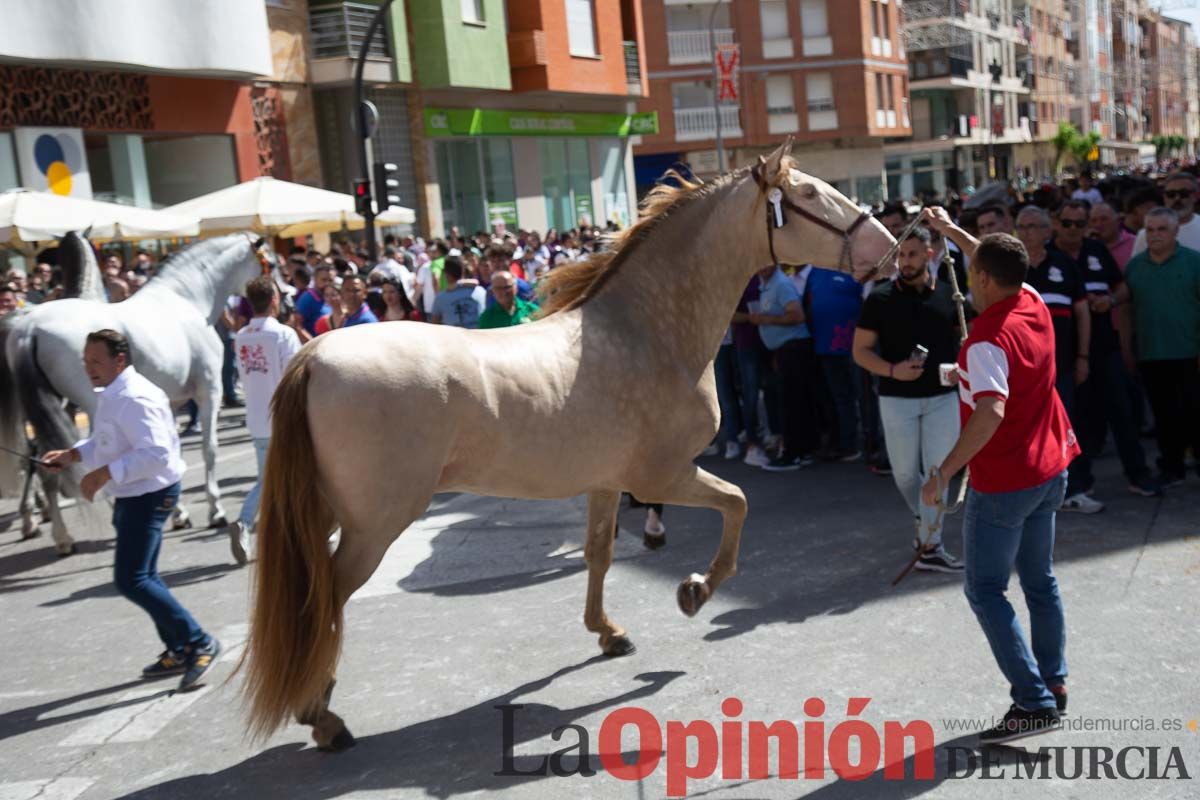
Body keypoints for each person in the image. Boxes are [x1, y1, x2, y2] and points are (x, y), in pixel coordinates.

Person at [920, 233, 1078, 745]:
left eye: (972, 270)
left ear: (984, 278)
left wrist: (944, 471)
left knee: (985, 589)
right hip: (1051, 467)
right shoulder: (1031, 300)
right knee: (1040, 580)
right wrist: (953, 232)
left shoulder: (986, 338)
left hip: (1008, 480)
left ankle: (1033, 702)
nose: (968, 277)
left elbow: (990, 410)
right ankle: (1052, 681)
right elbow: (994, 259)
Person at [43, 330, 220, 692]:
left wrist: (105, 472)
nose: (88, 367)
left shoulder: (136, 397)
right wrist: (72, 455)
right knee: (144, 577)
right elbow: (108, 441)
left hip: (150, 494)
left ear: (119, 360)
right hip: (133, 494)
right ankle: (179, 646)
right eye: (85, 361)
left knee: (132, 579)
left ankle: (199, 641)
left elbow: (156, 455)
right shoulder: (112, 393)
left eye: (96, 360)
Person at [853, 226, 964, 573]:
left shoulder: (951, 296)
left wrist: (961, 369)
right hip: (897, 398)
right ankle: (925, 519)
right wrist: (892, 370)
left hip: (944, 398)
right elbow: (860, 352)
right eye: (901, 255)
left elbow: (967, 343)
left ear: (930, 255)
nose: (905, 261)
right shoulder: (880, 298)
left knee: (937, 474)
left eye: (913, 254)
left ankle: (930, 545)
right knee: (904, 476)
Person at [1054, 200, 1160, 499]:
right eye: (1067, 223)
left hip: (1104, 345)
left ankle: (1138, 474)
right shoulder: (1047, 255)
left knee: (1122, 412)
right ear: (1056, 223)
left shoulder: (1096, 250)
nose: (1072, 229)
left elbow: (1122, 287)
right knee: (1078, 419)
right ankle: (1080, 482)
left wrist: (1110, 302)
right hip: (1066, 353)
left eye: (1079, 224)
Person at [1014, 206, 1095, 512]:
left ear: (1048, 231)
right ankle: (1033, 493)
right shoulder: (1011, 269)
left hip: (1060, 366)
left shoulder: (1065, 265)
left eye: (1034, 226)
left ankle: (1073, 488)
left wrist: (1083, 356)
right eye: (1022, 226)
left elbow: (1082, 312)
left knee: (1067, 427)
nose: (1027, 232)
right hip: (1022, 371)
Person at [1116, 207, 1200, 486]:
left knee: (1194, 411)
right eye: (1150, 230)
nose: (1155, 235)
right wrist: (1127, 348)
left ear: (1176, 231)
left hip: (1190, 352)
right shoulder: (1135, 266)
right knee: (1163, 415)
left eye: (1162, 229)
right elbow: (1125, 308)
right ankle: (1171, 465)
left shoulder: (1194, 262)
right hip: (1152, 353)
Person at [229, 276, 301, 565]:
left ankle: (253, 524)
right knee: (288, 478)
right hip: (282, 417)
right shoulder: (283, 334)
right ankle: (247, 521)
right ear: (273, 300)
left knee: (271, 479)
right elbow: (294, 378)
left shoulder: (242, 336)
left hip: (257, 417)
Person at [749, 263, 818, 471]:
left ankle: (793, 454)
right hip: (785, 350)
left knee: (791, 403)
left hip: (793, 349)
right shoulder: (768, 284)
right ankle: (802, 450)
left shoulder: (780, 284)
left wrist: (765, 319)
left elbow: (797, 315)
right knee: (794, 402)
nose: (761, 266)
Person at [804, 266, 864, 461]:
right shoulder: (815, 272)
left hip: (856, 348)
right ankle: (840, 443)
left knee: (859, 397)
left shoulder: (855, 269)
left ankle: (859, 443)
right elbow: (808, 303)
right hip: (823, 346)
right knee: (834, 397)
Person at [1131, 172, 1200, 255]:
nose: (1177, 199)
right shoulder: (1146, 235)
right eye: (1171, 194)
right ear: (1164, 197)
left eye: (1183, 193)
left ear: (1196, 196)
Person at [431, 255, 486, 328]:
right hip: (478, 337)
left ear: (446, 274)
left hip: (452, 338)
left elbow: (434, 326)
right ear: (463, 271)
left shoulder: (441, 298)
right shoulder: (481, 291)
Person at [1089, 200, 1136, 271]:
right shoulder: (1086, 247)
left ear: (1118, 221)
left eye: (1104, 219)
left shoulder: (1134, 243)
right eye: (1094, 221)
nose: (1098, 224)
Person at [296, 263, 334, 334]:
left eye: (330, 280)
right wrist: (313, 343)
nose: (327, 283)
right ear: (315, 279)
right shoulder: (307, 298)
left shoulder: (334, 298)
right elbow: (297, 326)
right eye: (324, 280)